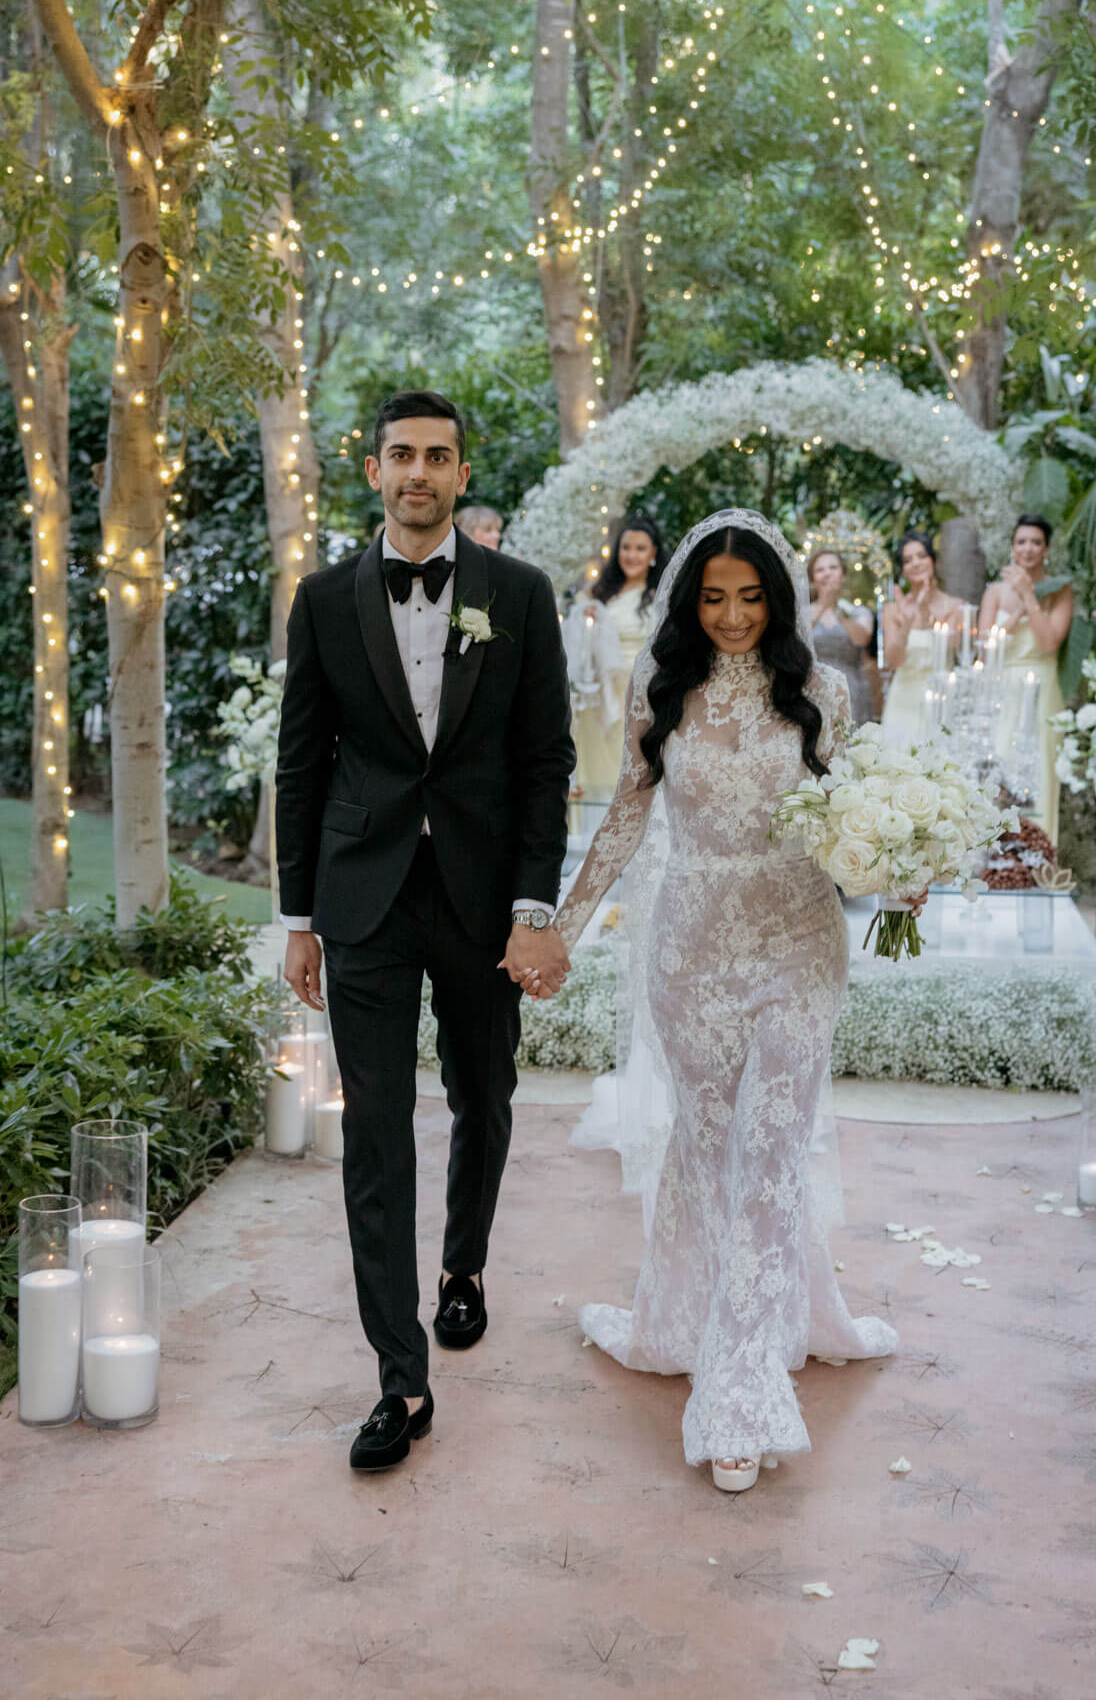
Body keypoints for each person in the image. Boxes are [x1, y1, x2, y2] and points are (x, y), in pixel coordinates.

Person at [531, 509, 898, 1494]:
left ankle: (739, 1392)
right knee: (705, 1147)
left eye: (749, 598)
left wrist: (896, 870)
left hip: (797, 946)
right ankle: (685, 1321)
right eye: (713, 599)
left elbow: (857, 819)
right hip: (689, 951)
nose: (732, 616)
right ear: (688, 605)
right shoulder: (660, 690)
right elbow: (622, 818)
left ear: (776, 601)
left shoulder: (821, 692)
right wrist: (561, 929)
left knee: (769, 1151)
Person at [275, 390, 575, 1472]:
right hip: (364, 898)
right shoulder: (322, 599)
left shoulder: (519, 593)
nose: (417, 473)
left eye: (436, 457)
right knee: (375, 1131)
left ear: (460, 474)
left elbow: (544, 762)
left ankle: (463, 1267)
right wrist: (299, 919)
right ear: (373, 471)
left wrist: (533, 908)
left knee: (481, 1094)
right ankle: (400, 1380)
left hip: (483, 899)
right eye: (400, 455)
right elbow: (301, 762)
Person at [978, 513, 1073, 842]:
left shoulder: (1060, 590)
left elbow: (1049, 642)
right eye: (1022, 542)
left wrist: (1029, 596)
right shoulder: (994, 592)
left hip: (1041, 686)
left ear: (1046, 549)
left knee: (1040, 768)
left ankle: (1039, 853)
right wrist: (1017, 608)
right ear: (1012, 547)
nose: (1028, 548)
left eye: (1036, 542)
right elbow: (985, 650)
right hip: (1002, 686)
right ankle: (997, 852)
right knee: (999, 764)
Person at [564, 514, 667, 803]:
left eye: (640, 548)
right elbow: (576, 638)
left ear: (653, 553)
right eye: (626, 547)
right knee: (592, 768)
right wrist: (586, 619)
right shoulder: (598, 593)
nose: (631, 555)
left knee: (626, 764)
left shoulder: (659, 597)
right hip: (598, 692)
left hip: (637, 692)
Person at [880, 530, 961, 745]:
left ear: (934, 560)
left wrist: (925, 615)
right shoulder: (892, 609)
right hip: (903, 699)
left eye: (922, 556)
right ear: (903, 570)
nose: (915, 563)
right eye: (908, 560)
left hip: (941, 697)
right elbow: (892, 662)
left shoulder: (955, 607)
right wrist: (906, 624)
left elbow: (951, 647)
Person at [808, 550, 875, 725]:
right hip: (812, 690)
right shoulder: (803, 613)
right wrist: (824, 603)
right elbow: (800, 637)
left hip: (850, 689)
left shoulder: (858, 612)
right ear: (812, 578)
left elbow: (861, 639)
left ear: (843, 575)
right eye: (820, 570)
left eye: (833, 567)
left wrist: (839, 608)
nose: (827, 573)